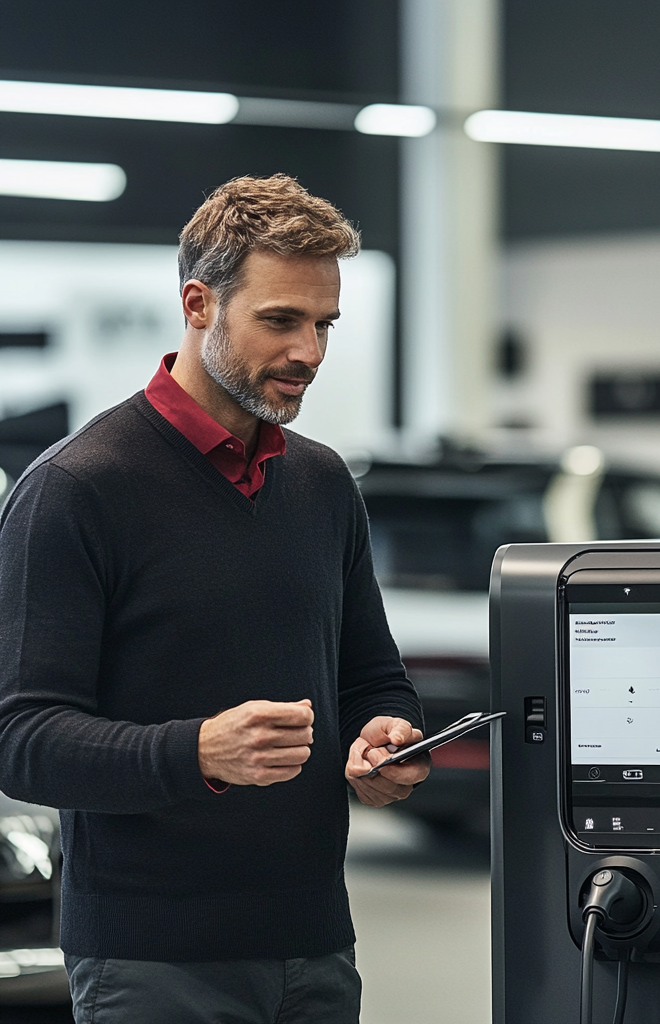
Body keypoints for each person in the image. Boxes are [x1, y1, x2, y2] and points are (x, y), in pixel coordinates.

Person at [0, 174, 430, 1024]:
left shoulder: (321, 482)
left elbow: (372, 677)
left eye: (323, 324)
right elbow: (20, 739)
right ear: (199, 303)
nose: (308, 349)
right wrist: (197, 751)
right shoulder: (77, 489)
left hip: (314, 946)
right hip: (150, 961)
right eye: (280, 320)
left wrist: (387, 736)